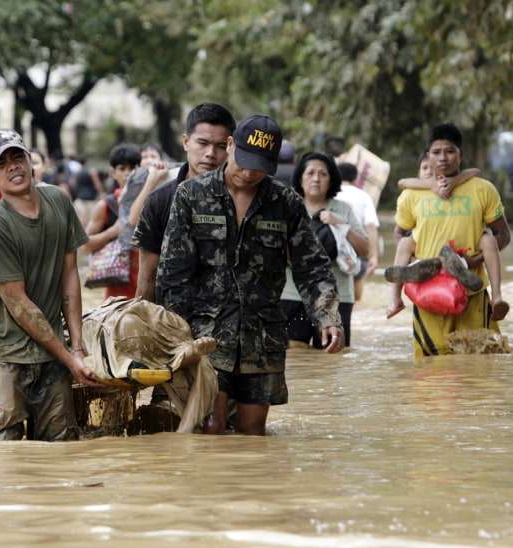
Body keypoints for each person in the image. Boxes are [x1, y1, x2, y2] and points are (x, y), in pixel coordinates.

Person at [158, 114, 345, 436]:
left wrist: (328, 316)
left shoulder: (285, 203)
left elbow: (312, 267)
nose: (247, 173)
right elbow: (173, 274)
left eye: (258, 167)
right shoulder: (191, 195)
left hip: (263, 336)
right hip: (207, 334)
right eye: (244, 162)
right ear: (231, 146)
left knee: (252, 433)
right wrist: (177, 336)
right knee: (210, 427)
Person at [0, 128, 101, 442]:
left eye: (18, 156)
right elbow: (19, 304)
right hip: (0, 352)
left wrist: (78, 347)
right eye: (1, 164)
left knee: (61, 448)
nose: (13, 166)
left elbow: (70, 275)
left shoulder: (58, 200)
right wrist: (71, 360)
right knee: (2, 451)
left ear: (30, 160)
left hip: (51, 347)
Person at [391, 123, 511, 357]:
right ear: (428, 156)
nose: (443, 158)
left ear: (461, 154)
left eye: (450, 151)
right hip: (428, 296)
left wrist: (474, 260)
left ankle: (497, 296)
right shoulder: (411, 195)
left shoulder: (483, 189)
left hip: (473, 293)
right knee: (431, 376)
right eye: (436, 152)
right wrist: (419, 263)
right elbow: (399, 235)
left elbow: (503, 235)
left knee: (482, 368)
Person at [132, 102, 237, 303]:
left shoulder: (240, 200)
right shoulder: (159, 201)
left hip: (227, 323)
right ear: (186, 142)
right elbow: (147, 278)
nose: (210, 153)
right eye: (203, 143)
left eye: (221, 146)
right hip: (172, 323)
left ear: (231, 147)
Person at [386, 152, 508, 322]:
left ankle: (496, 296)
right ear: (418, 172)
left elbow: (474, 171)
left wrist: (454, 180)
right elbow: (402, 183)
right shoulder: (413, 191)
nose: (429, 171)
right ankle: (396, 296)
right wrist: (430, 185)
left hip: (461, 253)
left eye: (432, 167)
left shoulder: (466, 186)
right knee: (405, 243)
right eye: (424, 168)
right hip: (424, 254)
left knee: (488, 240)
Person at [280, 152, 369, 348]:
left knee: (332, 358)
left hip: (338, 297)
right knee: (293, 358)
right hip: (292, 295)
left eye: (323, 174)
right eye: (310, 173)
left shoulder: (343, 209)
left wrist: (341, 225)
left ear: (331, 180)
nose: (316, 179)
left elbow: (364, 250)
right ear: (300, 178)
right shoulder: (287, 207)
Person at [82, 143, 142, 299]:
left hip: (147, 285)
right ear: (114, 173)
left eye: (133, 168)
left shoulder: (152, 199)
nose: (128, 174)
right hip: (118, 289)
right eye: (123, 169)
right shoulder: (106, 205)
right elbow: (85, 244)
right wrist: (112, 232)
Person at [336, 162, 380, 302]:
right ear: (355, 179)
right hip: (358, 250)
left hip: (334, 251)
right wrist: (374, 256)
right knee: (355, 301)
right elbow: (370, 228)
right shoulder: (363, 196)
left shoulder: (330, 195)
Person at [70, 154, 106, 228]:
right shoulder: (91, 171)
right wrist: (102, 193)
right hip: (91, 200)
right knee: (91, 222)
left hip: (80, 200)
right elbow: (97, 184)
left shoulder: (76, 173)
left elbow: (73, 184)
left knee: (82, 223)